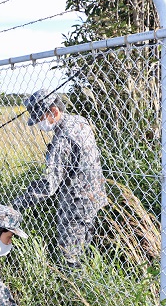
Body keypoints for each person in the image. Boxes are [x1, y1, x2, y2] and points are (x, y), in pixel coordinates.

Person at [11, 89, 107, 268]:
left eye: (41, 118)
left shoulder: (62, 139)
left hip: (75, 203)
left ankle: (74, 288)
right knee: (85, 248)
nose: (41, 124)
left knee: (70, 254)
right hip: (94, 194)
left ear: (54, 112)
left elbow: (49, 185)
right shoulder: (79, 121)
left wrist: (17, 204)